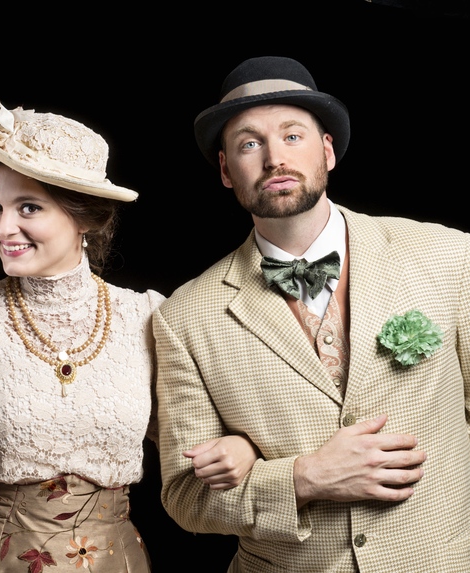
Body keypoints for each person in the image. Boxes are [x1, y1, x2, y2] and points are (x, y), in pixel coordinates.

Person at [0, 102, 260, 572]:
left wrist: (242, 447)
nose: (2, 227)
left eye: (29, 208)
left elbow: (193, 447)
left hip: (113, 561)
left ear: (86, 218)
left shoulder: (146, 315)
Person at [154, 55, 470, 572]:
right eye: (249, 143)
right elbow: (187, 498)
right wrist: (305, 477)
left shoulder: (447, 255)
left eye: (293, 136)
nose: (274, 157)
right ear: (226, 170)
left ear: (328, 150)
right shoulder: (183, 317)